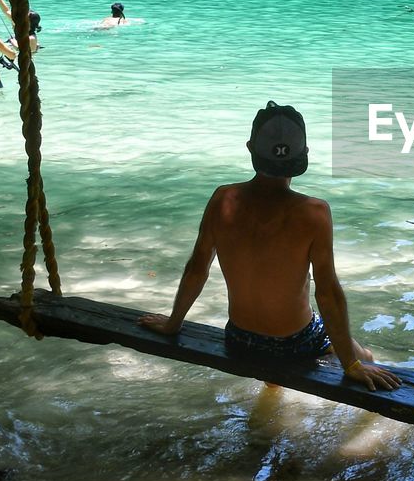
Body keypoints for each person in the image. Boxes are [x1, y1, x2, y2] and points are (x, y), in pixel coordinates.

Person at [138, 102, 400, 392]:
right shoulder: (314, 213)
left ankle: (269, 404)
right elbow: (328, 294)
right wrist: (351, 364)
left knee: (276, 348)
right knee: (366, 356)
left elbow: (197, 269)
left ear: (250, 148)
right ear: (305, 154)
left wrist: (173, 323)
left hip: (239, 339)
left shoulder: (222, 199)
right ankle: (366, 408)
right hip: (296, 343)